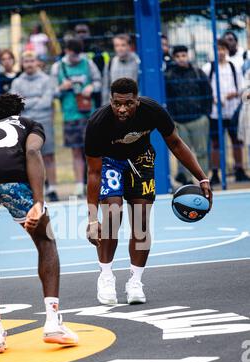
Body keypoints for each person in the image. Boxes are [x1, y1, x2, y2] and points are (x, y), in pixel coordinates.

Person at [0, 93, 78, 353]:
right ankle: (52, 321)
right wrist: (38, 202)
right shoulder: (27, 124)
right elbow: (32, 150)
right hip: (14, 180)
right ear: (18, 111)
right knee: (45, 241)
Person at [85, 78, 212, 305]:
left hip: (141, 159)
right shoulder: (97, 122)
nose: (122, 109)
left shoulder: (153, 110)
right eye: (117, 104)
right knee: (113, 214)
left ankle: (135, 280)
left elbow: (175, 143)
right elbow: (93, 173)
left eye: (128, 103)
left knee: (141, 219)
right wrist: (93, 219)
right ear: (111, 101)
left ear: (138, 101)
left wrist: (201, 176)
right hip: (109, 163)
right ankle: (105, 275)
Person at [51, 38, 101, 197]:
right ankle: (79, 185)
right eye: (73, 56)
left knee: (93, 150)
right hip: (70, 114)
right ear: (66, 52)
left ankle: (95, 182)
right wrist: (61, 87)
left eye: (78, 56)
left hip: (89, 113)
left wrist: (91, 87)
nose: (76, 59)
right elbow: (52, 92)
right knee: (76, 151)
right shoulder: (58, 67)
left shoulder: (88, 63)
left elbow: (99, 82)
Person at [11, 51, 58, 202]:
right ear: (22, 63)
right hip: (25, 125)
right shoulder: (17, 82)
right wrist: (36, 99)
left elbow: (47, 101)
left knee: (48, 155)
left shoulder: (47, 79)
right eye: (26, 61)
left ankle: (53, 188)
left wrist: (28, 101)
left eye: (32, 60)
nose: (29, 64)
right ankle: (34, 188)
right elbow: (16, 104)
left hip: (44, 122)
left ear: (37, 62)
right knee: (28, 156)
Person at [203, 38, 249, 184]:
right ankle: (215, 173)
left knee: (236, 142)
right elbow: (204, 89)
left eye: (223, 49)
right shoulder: (208, 68)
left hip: (232, 110)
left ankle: (239, 169)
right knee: (215, 143)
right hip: (215, 112)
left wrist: (233, 95)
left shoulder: (233, 67)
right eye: (218, 49)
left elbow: (241, 87)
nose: (220, 52)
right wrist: (213, 99)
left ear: (227, 51)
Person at [165, 45, 213, 184]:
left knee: (202, 152)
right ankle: (187, 181)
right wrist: (172, 118)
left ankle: (204, 181)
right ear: (174, 58)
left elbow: (208, 93)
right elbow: (167, 97)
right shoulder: (169, 76)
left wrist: (206, 114)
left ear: (188, 56)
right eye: (178, 56)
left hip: (199, 119)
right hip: (179, 121)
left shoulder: (198, 73)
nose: (181, 59)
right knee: (182, 152)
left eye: (184, 55)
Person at [74, 23, 110, 109]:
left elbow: (102, 73)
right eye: (78, 32)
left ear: (89, 33)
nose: (81, 34)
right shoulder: (70, 51)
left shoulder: (97, 51)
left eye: (84, 32)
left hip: (95, 90)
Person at [102, 34, 140, 105]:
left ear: (129, 46)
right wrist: (105, 107)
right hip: (116, 106)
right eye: (117, 45)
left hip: (133, 105)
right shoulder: (110, 62)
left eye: (123, 45)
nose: (120, 48)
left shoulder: (137, 61)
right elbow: (105, 87)